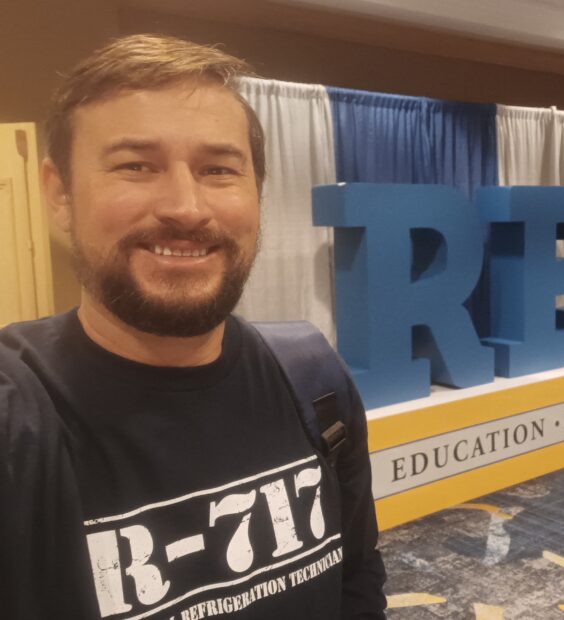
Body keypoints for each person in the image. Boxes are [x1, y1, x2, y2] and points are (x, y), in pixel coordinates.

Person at [0, 34, 386, 619]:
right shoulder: (19, 417)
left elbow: (356, 576)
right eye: (136, 166)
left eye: (218, 170)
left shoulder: (314, 380)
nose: (186, 207)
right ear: (60, 195)